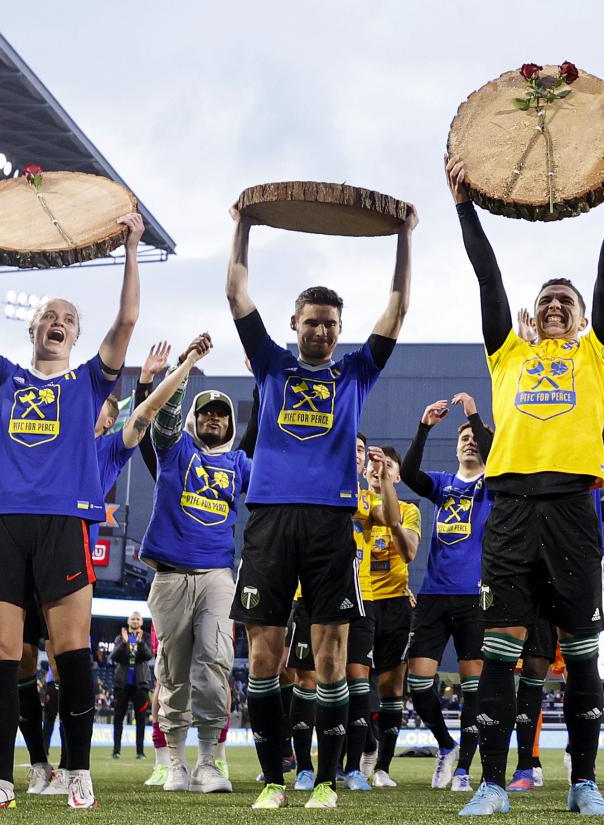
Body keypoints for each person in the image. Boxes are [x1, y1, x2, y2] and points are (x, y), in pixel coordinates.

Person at [444, 137, 604, 818]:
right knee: (500, 650)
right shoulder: (508, 354)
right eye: (547, 298)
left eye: (566, 300)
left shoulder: (595, 353)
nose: (554, 305)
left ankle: (585, 781)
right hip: (511, 510)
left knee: (583, 652)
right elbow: (488, 279)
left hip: (572, 509)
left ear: (585, 320)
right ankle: (492, 782)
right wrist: (466, 206)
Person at [0, 206, 148, 811]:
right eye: (48, 316)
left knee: (71, 649)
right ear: (33, 330)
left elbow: (128, 317)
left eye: (68, 319)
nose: (58, 323)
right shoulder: (3, 379)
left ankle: (77, 771)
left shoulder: (88, 383)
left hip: (62, 525)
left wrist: (132, 247)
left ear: (75, 338)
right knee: (2, 657)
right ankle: (1, 781)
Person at [225, 189, 412, 811]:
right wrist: (244, 227)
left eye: (331, 323)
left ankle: (326, 783)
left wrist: (403, 237)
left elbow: (397, 307)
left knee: (332, 652)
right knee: (263, 653)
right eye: (312, 321)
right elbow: (236, 293)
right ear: (295, 324)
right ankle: (277, 780)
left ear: (339, 329)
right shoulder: (270, 365)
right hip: (271, 520)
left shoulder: (355, 372)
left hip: (332, 522)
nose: (322, 330)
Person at [135, 350, 254, 794]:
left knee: (215, 664)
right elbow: (165, 417)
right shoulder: (174, 449)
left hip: (218, 575)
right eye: (206, 413)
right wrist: (183, 369)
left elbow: (272, 482)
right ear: (195, 418)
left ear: (230, 424)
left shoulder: (240, 464)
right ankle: (177, 765)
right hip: (169, 575)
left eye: (222, 415)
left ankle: (208, 762)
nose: (215, 420)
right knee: (173, 671)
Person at [400, 395, 494, 790]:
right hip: (434, 594)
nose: (469, 441)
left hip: (477, 595)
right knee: (419, 684)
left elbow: (494, 451)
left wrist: (474, 415)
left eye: (475, 437)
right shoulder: (442, 484)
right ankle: (445, 744)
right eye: (463, 438)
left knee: (475, 687)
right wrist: (423, 428)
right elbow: (407, 473)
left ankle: (462, 772)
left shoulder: (494, 484)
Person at [345, 443, 420, 791]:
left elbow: (408, 553)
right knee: (355, 682)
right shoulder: (353, 500)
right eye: (375, 465)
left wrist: (387, 495)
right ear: (363, 471)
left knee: (391, 687)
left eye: (388, 466)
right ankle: (362, 752)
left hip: (393, 603)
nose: (379, 469)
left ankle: (383, 767)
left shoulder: (408, 510)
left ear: (398, 475)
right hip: (359, 600)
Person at [109, 613, 154, 761]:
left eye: (137, 619)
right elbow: (114, 656)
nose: (135, 621)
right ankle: (116, 751)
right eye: (132, 619)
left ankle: (140, 752)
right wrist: (124, 643)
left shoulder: (146, 637)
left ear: (141, 622)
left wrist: (140, 643)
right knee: (118, 718)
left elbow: (148, 656)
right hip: (122, 684)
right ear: (128, 621)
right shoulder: (120, 637)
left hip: (140, 684)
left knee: (141, 719)